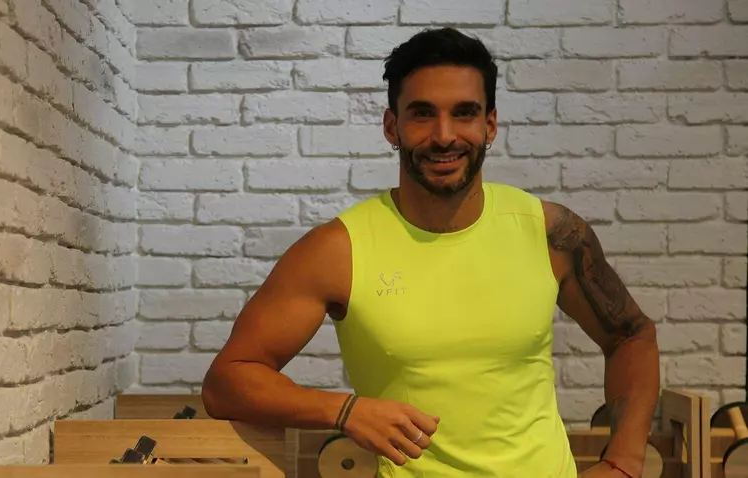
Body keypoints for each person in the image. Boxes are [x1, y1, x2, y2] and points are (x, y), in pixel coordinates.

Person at [201, 27, 661, 478]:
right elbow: (227, 381)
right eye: (422, 114)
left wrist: (623, 463)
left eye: (464, 113)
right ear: (392, 127)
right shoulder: (339, 249)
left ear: (490, 125)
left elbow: (631, 337)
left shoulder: (549, 232)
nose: (444, 136)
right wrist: (344, 410)